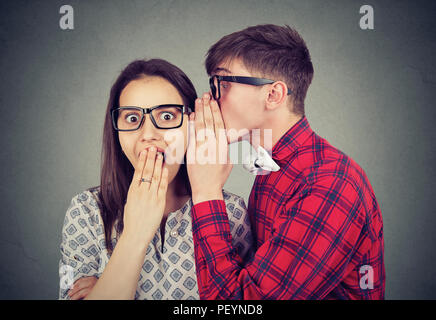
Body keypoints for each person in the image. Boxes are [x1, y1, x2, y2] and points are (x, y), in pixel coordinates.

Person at [187, 24, 385, 299]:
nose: (210, 98)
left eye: (223, 83)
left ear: (273, 95)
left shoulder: (330, 183)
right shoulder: (273, 168)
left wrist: (206, 193)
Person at [58, 59, 253, 300]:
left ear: (192, 124)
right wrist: (135, 235)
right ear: (115, 129)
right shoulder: (86, 210)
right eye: (131, 118)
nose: (148, 134)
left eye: (167, 116)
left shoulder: (231, 211)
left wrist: (105, 287)